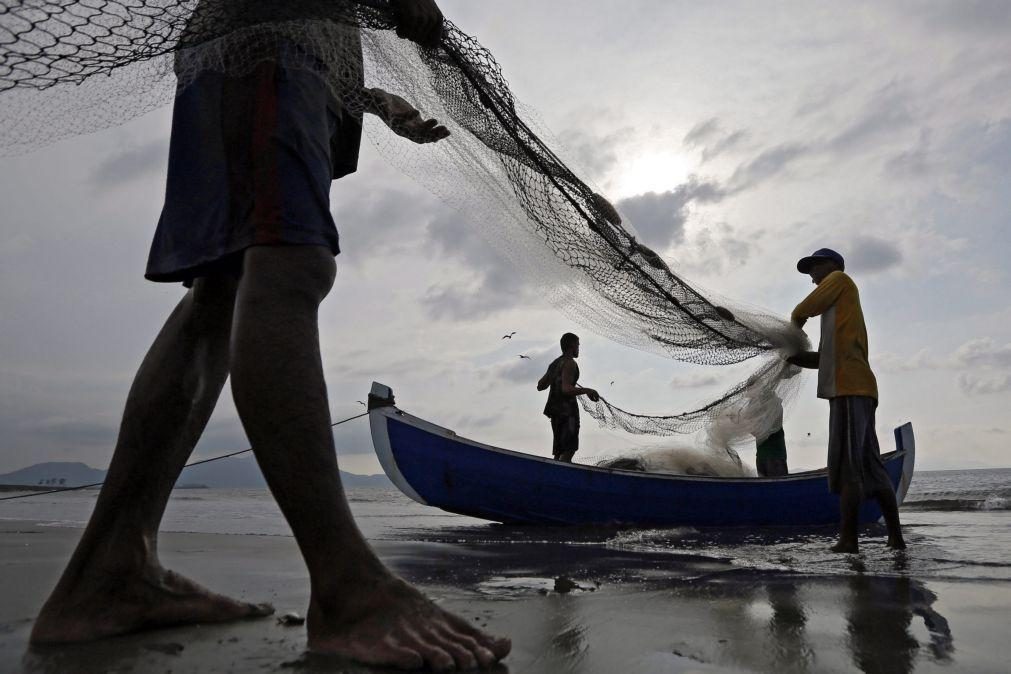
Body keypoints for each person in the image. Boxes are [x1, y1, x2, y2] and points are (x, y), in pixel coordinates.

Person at [30, 1, 511, 670]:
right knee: (287, 256)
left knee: (223, 292)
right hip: (267, 40)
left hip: (272, 50)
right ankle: (348, 589)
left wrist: (371, 100)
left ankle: (110, 572)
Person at [788, 248, 905, 553]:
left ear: (831, 266)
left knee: (849, 465)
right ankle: (896, 539)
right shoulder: (838, 315)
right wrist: (791, 356)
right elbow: (823, 359)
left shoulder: (840, 280)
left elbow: (805, 308)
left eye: (814, 269)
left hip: (849, 389)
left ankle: (849, 540)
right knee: (872, 465)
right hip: (854, 388)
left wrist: (792, 325)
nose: (812, 278)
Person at [537, 333, 599, 462]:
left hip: (555, 412)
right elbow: (566, 389)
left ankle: (553, 477)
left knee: (559, 451)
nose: (578, 348)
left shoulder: (555, 363)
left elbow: (540, 386)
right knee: (569, 449)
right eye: (578, 345)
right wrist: (588, 390)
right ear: (572, 346)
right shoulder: (570, 363)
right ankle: (560, 478)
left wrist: (555, 375)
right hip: (567, 412)